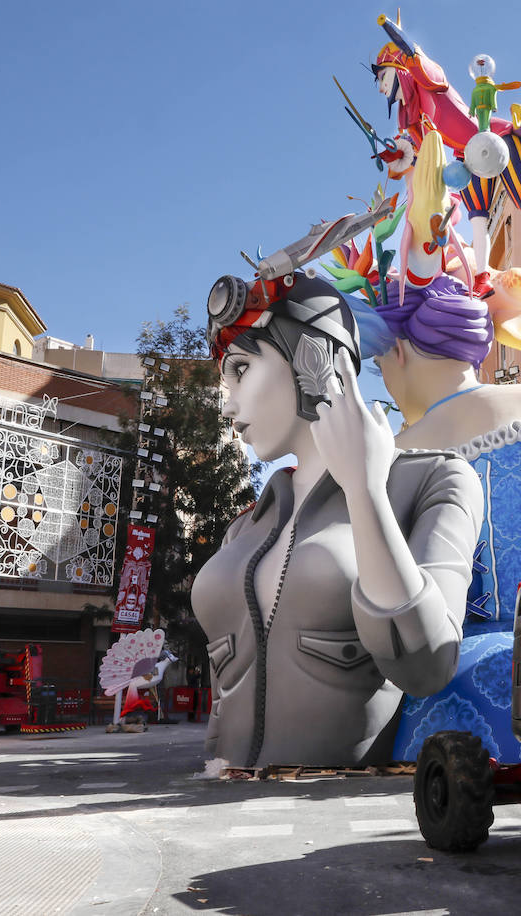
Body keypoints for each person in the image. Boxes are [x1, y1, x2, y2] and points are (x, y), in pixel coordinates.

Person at [190, 271, 483, 769]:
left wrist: (364, 490)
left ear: (315, 362)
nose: (229, 404)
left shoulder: (434, 479)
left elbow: (428, 663)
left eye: (241, 370)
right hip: (212, 812)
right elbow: (226, 683)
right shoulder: (245, 526)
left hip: (348, 822)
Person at [356, 275, 521, 764]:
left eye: (379, 363)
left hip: (426, 691)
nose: (386, 382)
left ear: (399, 351)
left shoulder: (392, 454)